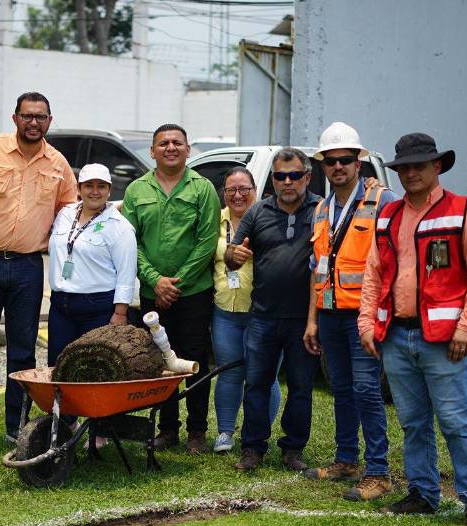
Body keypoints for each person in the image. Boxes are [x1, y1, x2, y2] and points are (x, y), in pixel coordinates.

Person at [359, 133, 467, 526]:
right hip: (397, 337)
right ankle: (422, 493)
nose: (411, 172)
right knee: (414, 422)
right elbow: (374, 273)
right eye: (404, 167)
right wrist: (368, 322)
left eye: (420, 165)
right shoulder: (389, 216)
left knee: (456, 421)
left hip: (444, 341)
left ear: (437, 167)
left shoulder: (463, 212)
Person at [0, 92, 77, 446]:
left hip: (27, 267)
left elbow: (70, 216)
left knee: (23, 349)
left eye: (40, 117)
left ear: (49, 121)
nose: (33, 122)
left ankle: (15, 424)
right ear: (15, 118)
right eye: (27, 116)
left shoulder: (59, 165)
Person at [303, 122, 398, 501]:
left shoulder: (383, 201)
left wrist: (378, 316)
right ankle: (346, 460)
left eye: (345, 160)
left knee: (365, 389)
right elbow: (317, 266)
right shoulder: (323, 208)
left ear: (359, 162)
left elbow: (395, 262)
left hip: (363, 316)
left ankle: (379, 472)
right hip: (329, 314)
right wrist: (312, 319)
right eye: (331, 161)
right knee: (341, 389)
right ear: (323, 165)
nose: (338, 166)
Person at [121, 123, 220, 455]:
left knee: (193, 360)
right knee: (160, 362)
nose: (171, 148)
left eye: (178, 142)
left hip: (193, 293)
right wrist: (155, 280)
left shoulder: (203, 188)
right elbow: (130, 242)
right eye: (163, 143)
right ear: (152, 152)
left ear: (188, 150)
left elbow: (207, 242)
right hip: (153, 293)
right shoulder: (137, 190)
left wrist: (177, 282)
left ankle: (196, 431)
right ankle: (166, 429)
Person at [226, 147, 321, 472]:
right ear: (273, 179)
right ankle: (252, 448)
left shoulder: (321, 210)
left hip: (304, 320)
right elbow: (232, 252)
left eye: (295, 175)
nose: (288, 182)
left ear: (307, 177)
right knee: (256, 384)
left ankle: (293, 449)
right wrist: (232, 257)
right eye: (280, 176)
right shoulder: (258, 212)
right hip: (263, 316)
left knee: (301, 387)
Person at [210, 167, 281, 453]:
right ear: (224, 194)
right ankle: (225, 432)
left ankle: (259, 432)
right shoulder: (216, 220)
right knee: (228, 373)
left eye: (244, 189)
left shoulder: (270, 217)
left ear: (256, 190)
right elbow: (204, 250)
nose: (237, 195)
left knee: (264, 375)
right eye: (231, 190)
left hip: (263, 313)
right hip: (225, 310)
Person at [47, 163, 136, 363]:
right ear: (79, 189)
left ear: (109, 190)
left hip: (97, 309)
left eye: (101, 186)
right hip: (61, 306)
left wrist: (120, 314)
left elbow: (126, 274)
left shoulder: (120, 227)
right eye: (89, 186)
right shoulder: (65, 214)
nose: (95, 192)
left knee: (92, 368)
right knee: (58, 365)